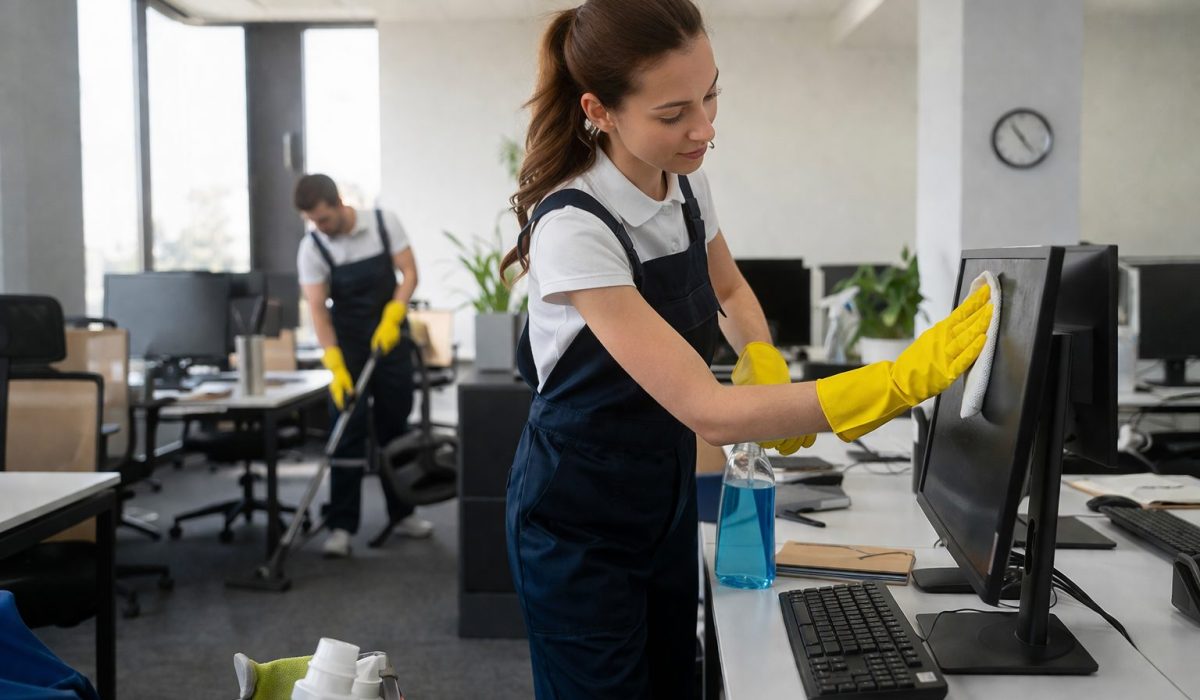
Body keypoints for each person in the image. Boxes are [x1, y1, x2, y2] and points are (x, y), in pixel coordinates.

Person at [501, 1, 994, 697]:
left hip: (664, 490)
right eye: (673, 114)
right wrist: (897, 382)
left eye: (710, 95)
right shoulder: (575, 226)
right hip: (576, 515)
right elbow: (708, 409)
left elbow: (730, 292)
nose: (703, 128)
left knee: (677, 678)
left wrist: (761, 355)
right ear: (600, 110)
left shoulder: (687, 185)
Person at [294, 174, 433, 558]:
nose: (319, 228)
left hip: (391, 340)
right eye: (312, 222)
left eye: (323, 219)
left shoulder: (384, 224)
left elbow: (410, 274)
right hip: (350, 346)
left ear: (338, 203)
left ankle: (403, 512)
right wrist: (335, 363)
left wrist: (394, 312)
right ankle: (341, 525)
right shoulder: (313, 248)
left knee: (394, 426)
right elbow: (318, 311)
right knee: (347, 429)